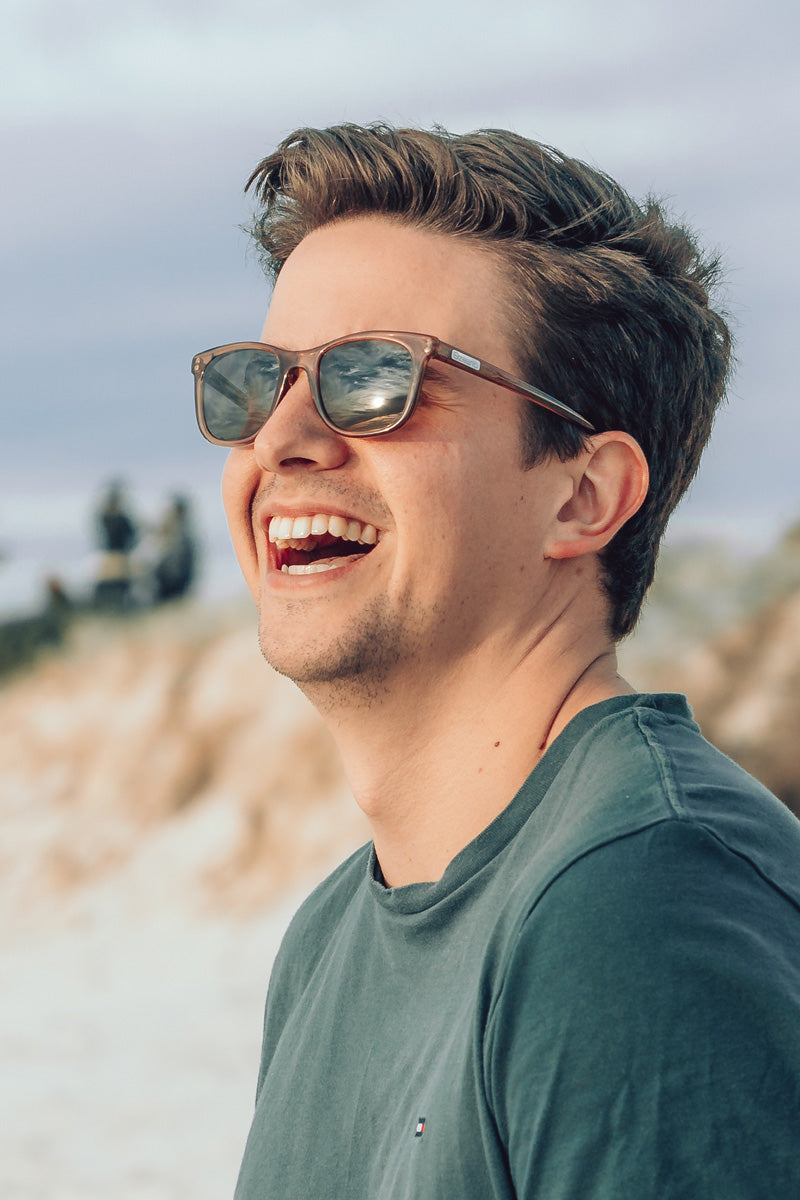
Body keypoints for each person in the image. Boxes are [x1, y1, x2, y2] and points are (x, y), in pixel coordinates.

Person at [192, 124, 800, 1198]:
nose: (281, 438)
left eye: (374, 379)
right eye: (259, 381)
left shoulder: (637, 912)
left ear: (581, 495)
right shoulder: (334, 934)